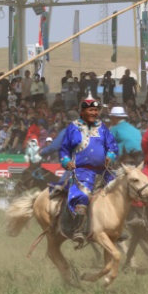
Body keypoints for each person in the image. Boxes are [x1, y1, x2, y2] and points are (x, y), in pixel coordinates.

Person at [59, 94, 118, 245]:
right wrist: (66, 161)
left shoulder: (102, 127)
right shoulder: (73, 127)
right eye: (90, 110)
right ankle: (78, 228)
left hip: (104, 171)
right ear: (82, 111)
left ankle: (118, 228)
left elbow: (112, 146)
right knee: (83, 196)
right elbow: (64, 149)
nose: (93, 113)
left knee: (120, 190)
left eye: (95, 110)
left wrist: (110, 155)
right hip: (82, 172)